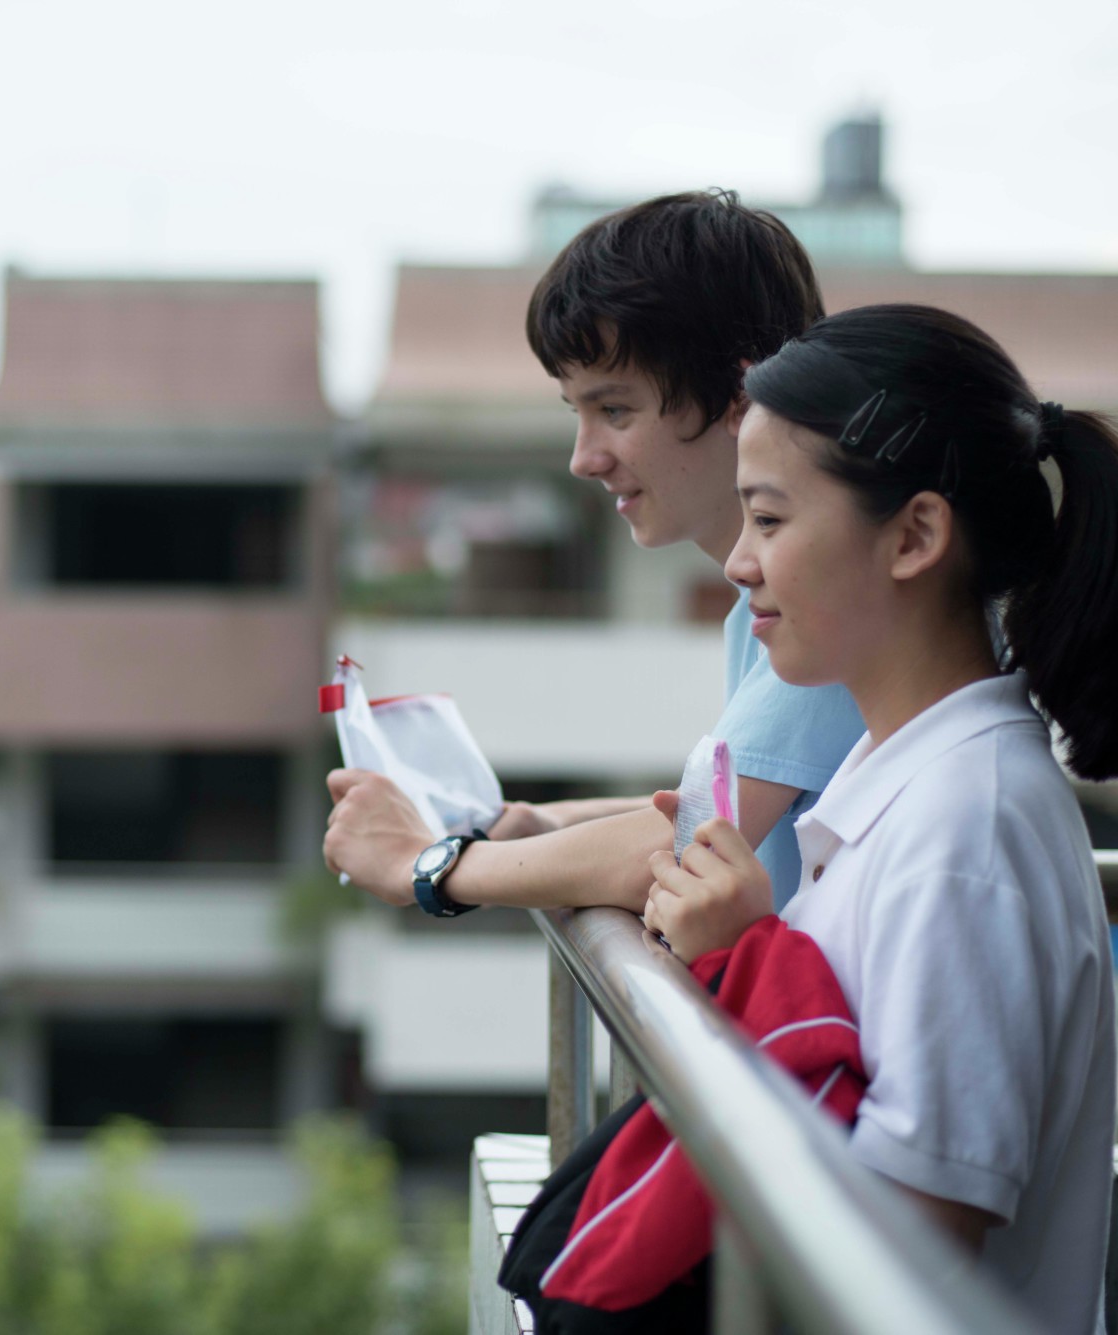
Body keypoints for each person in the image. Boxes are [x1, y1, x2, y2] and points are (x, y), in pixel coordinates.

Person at [643, 303, 1118, 1332]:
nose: (737, 563)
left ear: (914, 535)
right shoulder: (904, 772)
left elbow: (907, 1245)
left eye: (768, 518)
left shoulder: (962, 830)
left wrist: (743, 961)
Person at [325, 191, 865, 914]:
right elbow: (703, 807)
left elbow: (685, 846)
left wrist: (425, 866)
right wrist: (549, 825)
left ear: (741, 395)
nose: (584, 458)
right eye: (578, 412)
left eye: (615, 410)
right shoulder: (761, 599)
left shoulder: (831, 595)